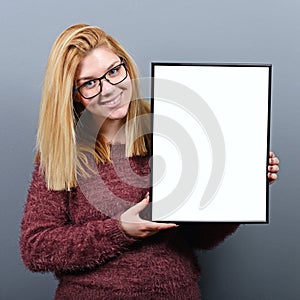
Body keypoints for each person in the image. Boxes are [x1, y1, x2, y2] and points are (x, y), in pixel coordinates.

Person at [20, 24, 280, 300]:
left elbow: (202, 238)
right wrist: (119, 229)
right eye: (90, 83)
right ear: (75, 95)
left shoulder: (173, 130)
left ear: (126, 67)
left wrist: (240, 188)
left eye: (113, 71)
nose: (109, 89)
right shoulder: (63, 154)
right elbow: (36, 249)